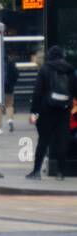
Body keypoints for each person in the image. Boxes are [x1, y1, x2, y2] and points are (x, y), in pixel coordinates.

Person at [26, 45, 73, 180]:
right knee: (62, 141)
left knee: (43, 141)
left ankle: (36, 172)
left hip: (47, 110)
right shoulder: (69, 70)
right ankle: (60, 173)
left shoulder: (45, 69)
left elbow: (38, 92)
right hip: (64, 111)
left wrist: (34, 111)